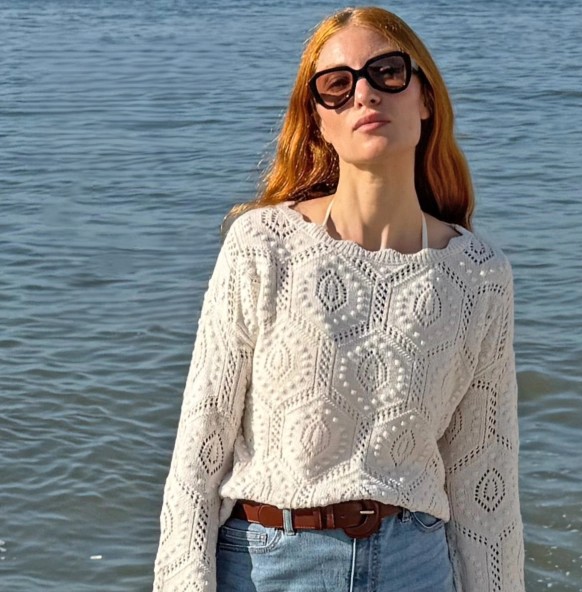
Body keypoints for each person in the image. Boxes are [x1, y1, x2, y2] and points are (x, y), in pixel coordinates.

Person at [153, 6, 525, 592]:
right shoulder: (264, 244)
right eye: (337, 84)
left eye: (387, 72)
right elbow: (201, 444)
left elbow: (485, 475)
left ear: (425, 98)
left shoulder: (478, 274)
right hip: (270, 565)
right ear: (319, 121)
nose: (365, 94)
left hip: (417, 567)